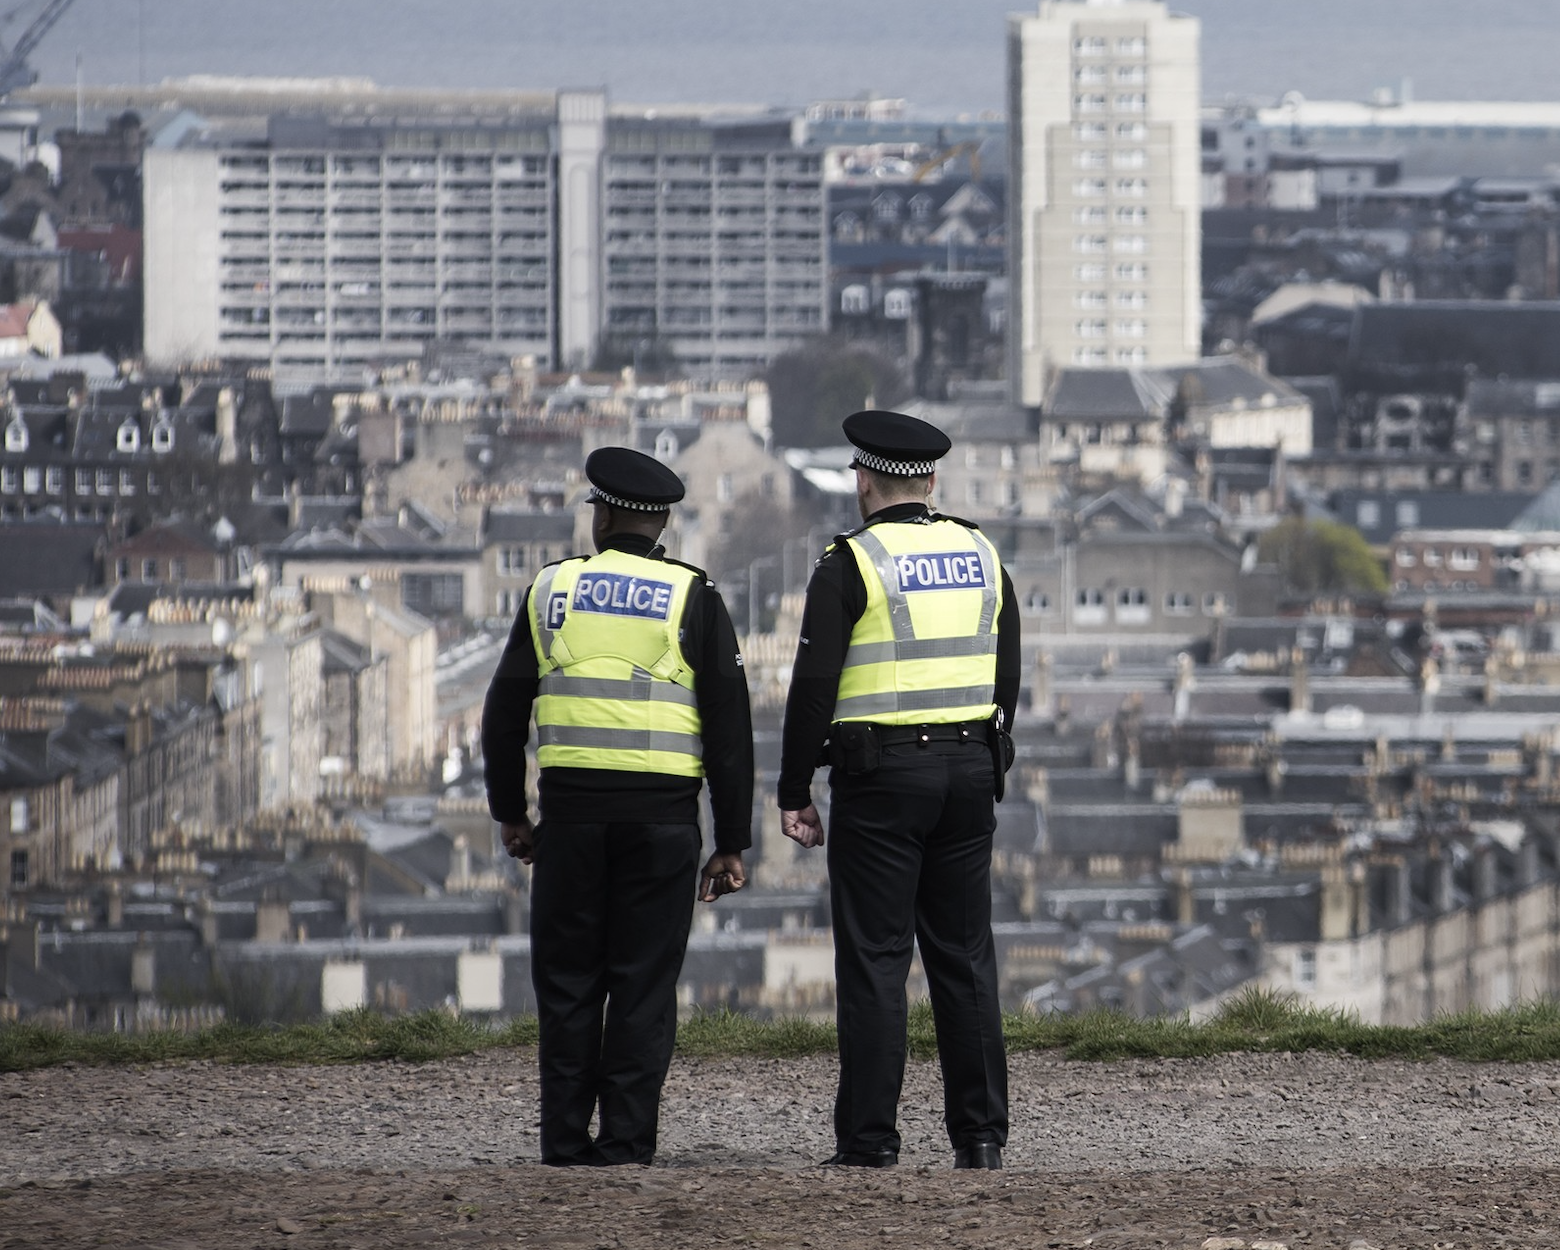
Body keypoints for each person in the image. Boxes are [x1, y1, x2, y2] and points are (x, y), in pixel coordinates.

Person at [482, 445, 753, 1167]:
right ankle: (627, 1142)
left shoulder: (551, 591)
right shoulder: (692, 596)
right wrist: (731, 841)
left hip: (569, 822)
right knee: (641, 986)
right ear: (660, 521)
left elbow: (505, 712)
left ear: (601, 516)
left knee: (569, 985)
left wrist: (512, 812)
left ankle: (564, 1144)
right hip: (663, 827)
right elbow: (729, 729)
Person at [778, 409, 1020, 1170]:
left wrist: (794, 788)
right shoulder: (982, 551)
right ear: (932, 480)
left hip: (881, 779)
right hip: (970, 771)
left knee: (878, 959)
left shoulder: (851, 562)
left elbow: (813, 686)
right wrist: (991, 760)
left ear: (867, 481)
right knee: (965, 957)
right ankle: (980, 1138)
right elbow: (1005, 670)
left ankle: (870, 1141)